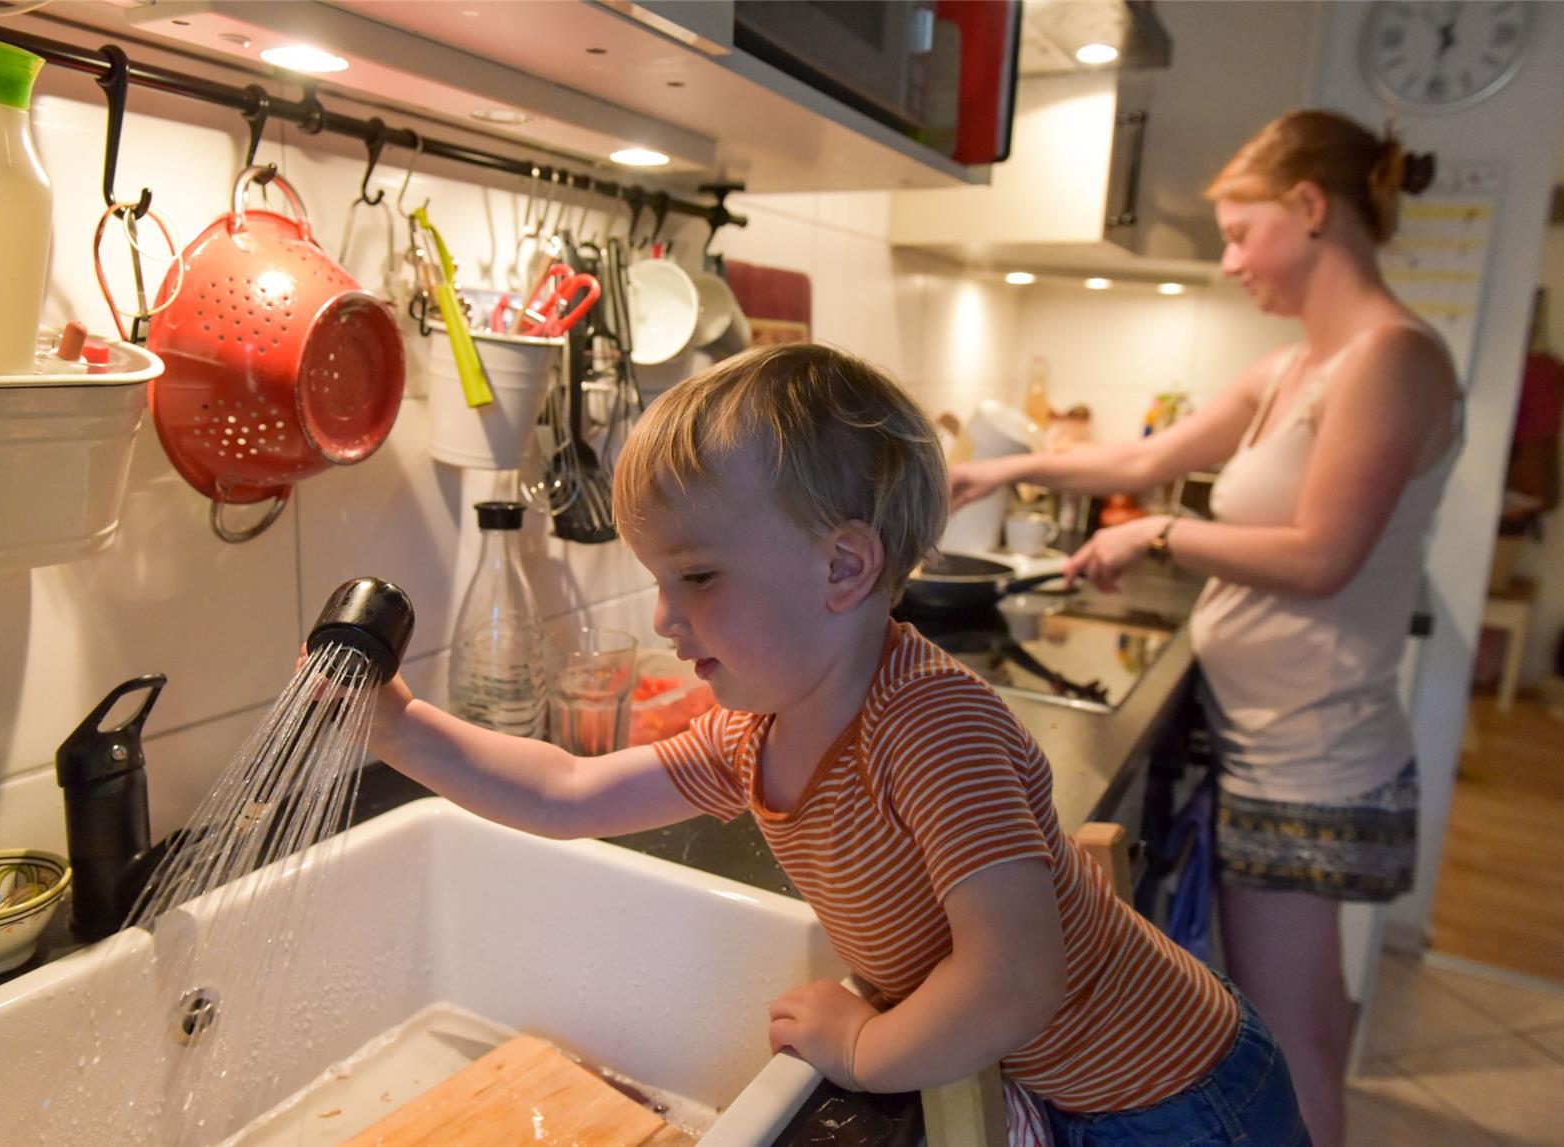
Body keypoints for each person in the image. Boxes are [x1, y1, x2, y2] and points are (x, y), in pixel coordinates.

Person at [367, 341, 1310, 1145]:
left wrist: (862, 1046)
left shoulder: (935, 731)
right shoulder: (753, 732)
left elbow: (1016, 978)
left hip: (1178, 1097)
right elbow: (566, 791)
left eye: (695, 575)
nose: (664, 617)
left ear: (843, 565)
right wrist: (395, 725)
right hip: (1089, 1091)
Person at [949, 110, 1458, 1147]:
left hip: (1308, 752)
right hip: (1273, 734)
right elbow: (1140, 463)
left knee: (1293, 1028)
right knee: (1288, 1013)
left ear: (1310, 209)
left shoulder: (1391, 358)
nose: (1228, 259)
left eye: (1239, 230)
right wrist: (1007, 466)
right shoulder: (1295, 368)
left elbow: (1322, 554)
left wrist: (1164, 539)